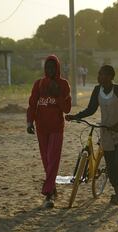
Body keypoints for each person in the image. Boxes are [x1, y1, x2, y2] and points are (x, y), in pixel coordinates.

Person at [65, 65, 118, 205]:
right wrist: (75, 116)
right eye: (99, 74)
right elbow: (91, 109)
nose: (99, 77)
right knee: (111, 165)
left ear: (111, 77)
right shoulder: (97, 90)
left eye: (103, 75)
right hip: (106, 131)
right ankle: (117, 194)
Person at [26, 55, 72, 208]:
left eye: (53, 67)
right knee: (46, 160)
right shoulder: (39, 84)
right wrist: (29, 122)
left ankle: (48, 193)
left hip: (57, 128)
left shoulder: (64, 84)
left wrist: (57, 94)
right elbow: (32, 104)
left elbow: (67, 109)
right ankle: (52, 186)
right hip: (41, 127)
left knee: (53, 158)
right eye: (47, 67)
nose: (50, 70)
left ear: (57, 68)